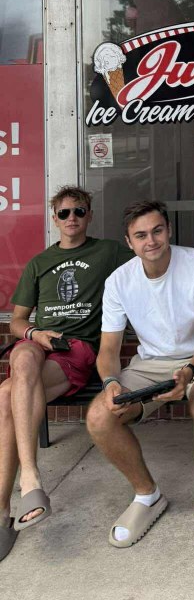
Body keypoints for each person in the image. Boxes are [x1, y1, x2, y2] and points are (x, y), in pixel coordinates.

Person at [86, 200, 194, 549]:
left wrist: (189, 371)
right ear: (129, 242)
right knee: (99, 417)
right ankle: (147, 495)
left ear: (168, 230)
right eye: (140, 235)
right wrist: (111, 382)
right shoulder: (119, 281)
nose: (150, 241)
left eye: (157, 231)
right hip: (149, 363)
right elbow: (108, 349)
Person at [0, 186, 132, 560]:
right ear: (54, 218)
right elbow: (17, 321)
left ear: (89, 216)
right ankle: (30, 479)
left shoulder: (108, 252)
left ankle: (2, 511)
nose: (71, 218)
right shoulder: (39, 263)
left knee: (6, 395)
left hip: (76, 350)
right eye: (64, 213)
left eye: (79, 211)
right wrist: (35, 334)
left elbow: (153, 254)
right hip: (38, 345)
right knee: (23, 356)